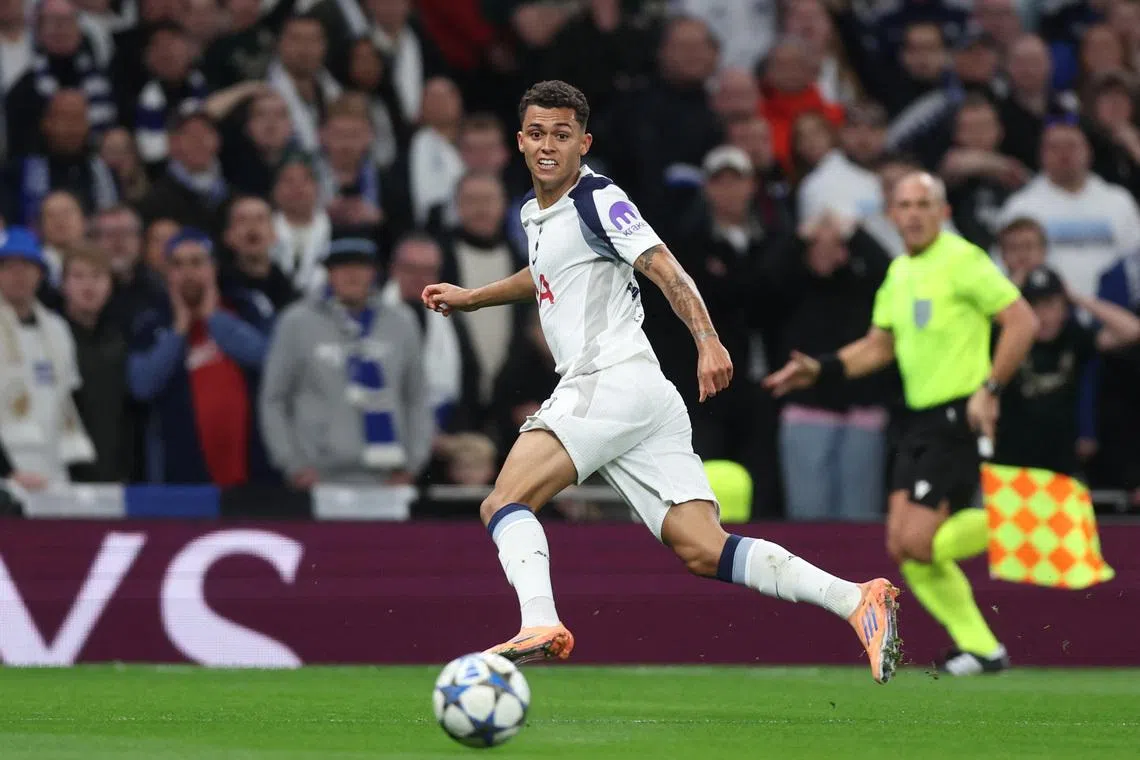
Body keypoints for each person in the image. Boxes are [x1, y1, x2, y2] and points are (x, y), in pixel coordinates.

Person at [421, 80, 902, 684]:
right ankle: (854, 598)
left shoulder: (599, 199)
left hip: (608, 379)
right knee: (703, 547)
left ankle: (539, 621)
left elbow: (664, 267)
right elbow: (543, 272)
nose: (547, 146)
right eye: (537, 133)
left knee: (503, 500)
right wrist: (474, 298)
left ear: (583, 144)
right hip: (644, 398)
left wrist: (707, 340)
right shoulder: (534, 213)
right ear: (520, 141)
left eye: (562, 135)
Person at [765, 171, 1040, 676]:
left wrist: (990, 388)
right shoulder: (899, 272)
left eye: (923, 204)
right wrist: (821, 369)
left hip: (958, 413)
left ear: (944, 212)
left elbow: (1023, 321)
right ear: (892, 215)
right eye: (905, 205)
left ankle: (1023, 521)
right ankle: (984, 649)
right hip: (918, 420)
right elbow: (879, 346)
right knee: (904, 549)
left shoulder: (963, 260)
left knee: (918, 542)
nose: (913, 214)